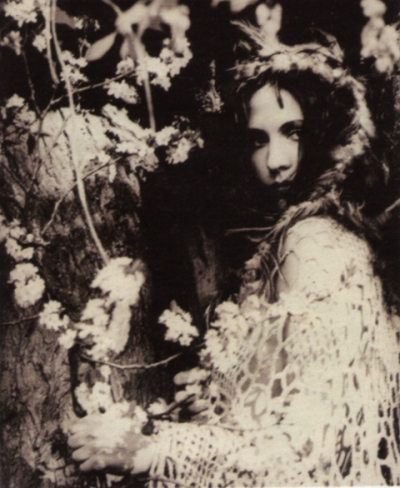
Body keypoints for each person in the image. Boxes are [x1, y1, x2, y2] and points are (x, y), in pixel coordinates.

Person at [68, 22, 400, 486]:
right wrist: (220, 399)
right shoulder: (331, 238)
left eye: (294, 132)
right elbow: (281, 406)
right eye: (258, 139)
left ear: (328, 131)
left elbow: (306, 449)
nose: (276, 161)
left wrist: (151, 450)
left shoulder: (315, 242)